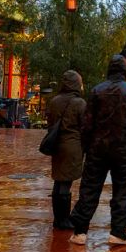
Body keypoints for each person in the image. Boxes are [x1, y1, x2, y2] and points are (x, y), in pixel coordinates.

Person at [69, 54, 126, 245]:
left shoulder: (97, 91)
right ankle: (119, 232)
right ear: (124, 70)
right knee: (123, 191)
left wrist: (87, 147)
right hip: (123, 150)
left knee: (89, 189)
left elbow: (87, 124)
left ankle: (80, 232)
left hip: (97, 149)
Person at [46, 70, 86, 230]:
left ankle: (58, 218)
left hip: (57, 145)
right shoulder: (79, 103)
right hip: (73, 146)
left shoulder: (54, 101)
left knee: (58, 180)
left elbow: (49, 122)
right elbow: (85, 126)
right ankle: (63, 220)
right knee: (66, 183)